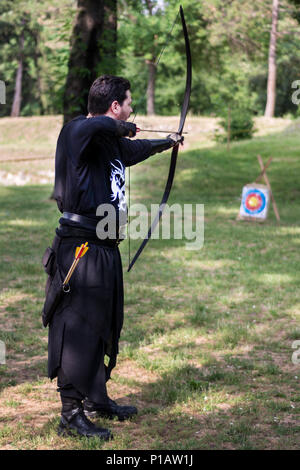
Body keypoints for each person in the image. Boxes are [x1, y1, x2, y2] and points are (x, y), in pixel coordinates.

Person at [42, 75, 183, 440]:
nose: (132, 108)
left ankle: (95, 398)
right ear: (114, 106)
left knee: (105, 324)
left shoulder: (109, 145)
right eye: (128, 103)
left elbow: (136, 150)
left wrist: (167, 142)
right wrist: (125, 127)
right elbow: (98, 125)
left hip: (105, 248)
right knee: (79, 328)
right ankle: (70, 416)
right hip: (81, 249)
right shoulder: (76, 134)